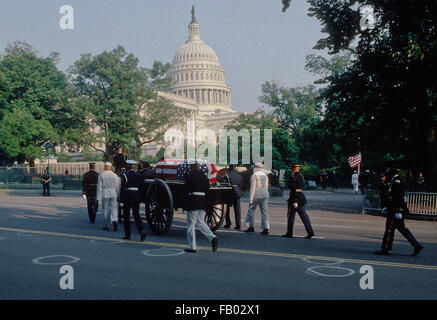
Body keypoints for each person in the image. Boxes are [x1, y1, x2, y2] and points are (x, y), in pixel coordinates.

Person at [375, 168, 424, 256]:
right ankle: (416, 245)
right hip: (394, 209)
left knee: (389, 229)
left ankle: (386, 249)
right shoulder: (395, 180)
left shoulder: (397, 181)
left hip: (395, 209)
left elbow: (398, 196)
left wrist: (397, 210)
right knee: (402, 229)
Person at [183, 162, 218, 253]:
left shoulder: (189, 176)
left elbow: (186, 189)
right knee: (201, 222)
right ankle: (212, 237)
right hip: (203, 201)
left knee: (191, 225)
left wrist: (185, 203)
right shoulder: (205, 177)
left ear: (192, 167)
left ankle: (192, 247)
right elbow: (208, 189)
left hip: (193, 200)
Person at [282, 164, 315, 239]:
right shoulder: (300, 175)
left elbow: (294, 189)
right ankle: (310, 232)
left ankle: (289, 233)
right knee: (304, 216)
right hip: (301, 198)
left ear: (293, 169)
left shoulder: (293, 177)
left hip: (295, 198)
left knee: (291, 217)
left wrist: (294, 200)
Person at [119, 160, 146, 241]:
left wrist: (121, 201)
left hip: (127, 196)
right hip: (136, 196)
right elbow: (142, 187)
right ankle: (142, 231)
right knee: (136, 215)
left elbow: (122, 189)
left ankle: (128, 235)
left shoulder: (125, 175)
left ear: (128, 166)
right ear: (134, 167)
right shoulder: (139, 176)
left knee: (126, 216)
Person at [244, 163, 270, 235]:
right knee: (264, 212)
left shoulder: (254, 176)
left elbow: (253, 188)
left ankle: (251, 227)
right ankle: (266, 228)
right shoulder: (265, 176)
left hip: (256, 194)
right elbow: (266, 186)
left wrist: (251, 198)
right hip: (265, 194)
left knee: (251, 210)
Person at [97, 162, 120, 231]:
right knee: (114, 208)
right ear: (110, 167)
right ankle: (114, 220)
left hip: (105, 193)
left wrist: (98, 198)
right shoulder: (115, 175)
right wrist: (117, 195)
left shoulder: (102, 175)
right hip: (113, 193)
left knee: (105, 209)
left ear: (105, 167)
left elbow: (99, 187)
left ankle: (105, 225)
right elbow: (117, 186)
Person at [223, 164, 242, 230]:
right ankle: (238, 224)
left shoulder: (227, 175)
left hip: (229, 193)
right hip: (237, 192)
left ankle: (228, 223)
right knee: (237, 210)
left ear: (230, 167)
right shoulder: (239, 175)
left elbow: (224, 184)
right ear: (235, 167)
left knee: (227, 210)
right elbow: (241, 184)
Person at [113, 146, 127, 223]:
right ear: (121, 150)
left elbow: (114, 165)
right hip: (124, 171)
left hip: (118, 172)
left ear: (117, 150)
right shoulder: (125, 156)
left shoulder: (115, 156)